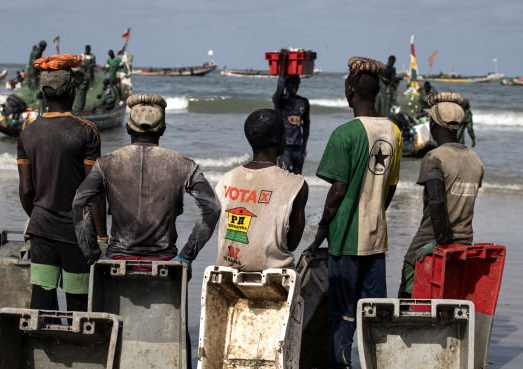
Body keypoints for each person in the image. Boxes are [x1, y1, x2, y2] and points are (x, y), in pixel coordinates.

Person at [303, 56, 403, 369]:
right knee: (374, 308)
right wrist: (375, 213)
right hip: (377, 236)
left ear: (350, 91)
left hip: (346, 235)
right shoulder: (394, 132)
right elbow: (389, 187)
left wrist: (321, 230)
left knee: (343, 307)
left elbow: (337, 191)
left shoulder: (344, 134)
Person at [73, 94, 220, 267]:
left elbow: (79, 203)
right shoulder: (184, 165)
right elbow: (212, 207)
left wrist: (92, 254)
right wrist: (187, 255)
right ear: (163, 130)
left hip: (118, 261)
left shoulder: (106, 163)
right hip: (166, 263)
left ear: (128, 128)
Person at [16, 58, 100, 312]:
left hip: (40, 228)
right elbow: (93, 190)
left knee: (41, 299)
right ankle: (77, 351)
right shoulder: (86, 131)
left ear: (43, 93)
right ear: (72, 91)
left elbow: (26, 190)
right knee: (77, 303)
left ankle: (42, 348)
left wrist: (34, 214)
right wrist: (102, 235)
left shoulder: (27, 133)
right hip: (75, 232)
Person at [399, 92, 484, 297]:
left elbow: (437, 201)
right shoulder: (475, 159)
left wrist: (440, 241)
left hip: (431, 239)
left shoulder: (434, 157)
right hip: (464, 243)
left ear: (434, 124)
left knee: (409, 294)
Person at [211, 109, 307, 270]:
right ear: (278, 138)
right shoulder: (296, 185)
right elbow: (292, 243)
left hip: (227, 275)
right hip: (275, 278)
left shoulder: (226, 180)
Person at [271, 51, 310, 175]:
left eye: (296, 83)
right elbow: (280, 87)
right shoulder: (280, 100)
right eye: (292, 84)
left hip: (298, 148)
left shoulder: (303, 102)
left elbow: (306, 126)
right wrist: (283, 63)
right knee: (286, 178)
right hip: (284, 148)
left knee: (297, 179)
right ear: (287, 85)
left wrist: (304, 146)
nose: (294, 86)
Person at [75, 44, 96, 113]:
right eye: (87, 49)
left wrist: (90, 65)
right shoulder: (82, 55)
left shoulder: (92, 56)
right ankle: (79, 106)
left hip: (90, 73)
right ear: (85, 49)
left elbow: (94, 63)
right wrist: (83, 65)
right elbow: (79, 62)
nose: (87, 50)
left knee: (89, 87)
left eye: (88, 49)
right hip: (83, 73)